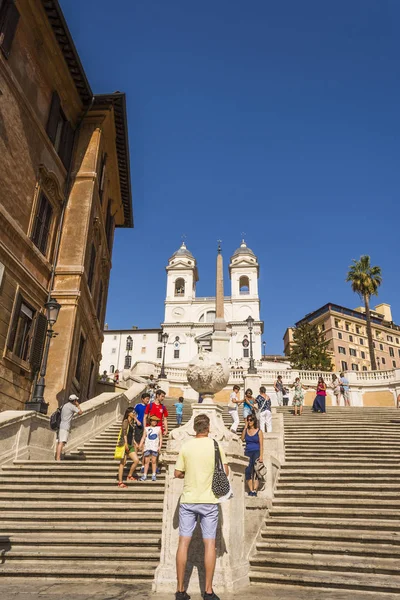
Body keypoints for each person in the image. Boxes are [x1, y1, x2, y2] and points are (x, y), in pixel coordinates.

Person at [174, 413, 228, 600]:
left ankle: (180, 590)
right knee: (209, 544)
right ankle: (208, 591)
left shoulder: (186, 446)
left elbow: (177, 472)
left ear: (194, 428)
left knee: (183, 544)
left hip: (188, 500)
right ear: (208, 428)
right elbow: (226, 471)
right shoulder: (215, 445)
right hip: (209, 500)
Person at [116, 407, 140, 488]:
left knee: (136, 460)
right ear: (128, 413)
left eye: (134, 412)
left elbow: (131, 435)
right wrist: (126, 444)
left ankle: (129, 475)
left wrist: (135, 443)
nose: (134, 414)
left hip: (130, 444)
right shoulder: (125, 421)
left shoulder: (131, 423)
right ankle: (120, 482)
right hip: (124, 444)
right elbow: (124, 433)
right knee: (123, 463)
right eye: (133, 412)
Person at [241, 414, 264, 497]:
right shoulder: (246, 430)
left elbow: (261, 444)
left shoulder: (259, 431)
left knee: (256, 471)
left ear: (254, 421)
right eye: (248, 420)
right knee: (247, 471)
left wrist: (261, 456)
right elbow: (242, 439)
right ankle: (251, 490)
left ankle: (255, 490)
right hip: (248, 452)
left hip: (256, 451)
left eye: (251, 420)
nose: (249, 422)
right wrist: (245, 427)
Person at [56, 394, 82, 461]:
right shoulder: (72, 407)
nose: (76, 401)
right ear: (74, 401)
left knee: (60, 442)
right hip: (65, 426)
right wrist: (78, 405)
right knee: (61, 442)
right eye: (76, 400)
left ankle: (59, 456)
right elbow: (80, 412)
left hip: (61, 425)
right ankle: (58, 458)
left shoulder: (65, 405)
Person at [139, 414, 163, 481]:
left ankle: (153, 474)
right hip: (147, 446)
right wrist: (140, 444)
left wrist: (160, 446)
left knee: (154, 461)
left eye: (155, 421)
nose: (154, 422)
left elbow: (160, 438)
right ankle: (144, 475)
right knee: (146, 461)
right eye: (153, 421)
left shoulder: (158, 429)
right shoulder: (146, 429)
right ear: (150, 421)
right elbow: (143, 437)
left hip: (155, 447)